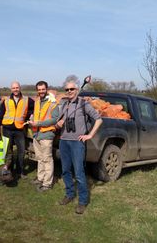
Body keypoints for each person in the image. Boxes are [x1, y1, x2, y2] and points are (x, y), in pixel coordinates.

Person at [56, 79, 103, 214]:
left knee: (79, 173)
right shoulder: (64, 104)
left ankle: (82, 201)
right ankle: (70, 194)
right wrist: (59, 123)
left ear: (77, 90)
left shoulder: (84, 104)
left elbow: (99, 120)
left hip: (77, 143)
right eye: (67, 89)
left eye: (72, 89)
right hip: (64, 141)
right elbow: (58, 120)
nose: (69, 91)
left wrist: (90, 135)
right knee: (65, 170)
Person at [0, 81, 34, 179]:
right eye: (13, 88)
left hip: (20, 129)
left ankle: (20, 171)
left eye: (17, 87)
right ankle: (9, 170)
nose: (15, 89)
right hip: (7, 129)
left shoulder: (27, 100)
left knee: (21, 151)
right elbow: (0, 114)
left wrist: (28, 116)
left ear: (20, 88)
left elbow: (34, 108)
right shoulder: (6, 100)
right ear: (11, 89)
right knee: (8, 151)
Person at [28, 81, 59, 192]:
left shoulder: (53, 102)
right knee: (40, 158)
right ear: (37, 90)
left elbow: (55, 119)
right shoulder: (37, 102)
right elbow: (37, 115)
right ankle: (40, 178)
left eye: (43, 89)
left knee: (47, 159)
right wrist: (32, 120)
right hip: (37, 134)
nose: (41, 91)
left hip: (46, 134)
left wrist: (39, 123)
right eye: (39, 89)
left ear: (46, 89)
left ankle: (47, 183)